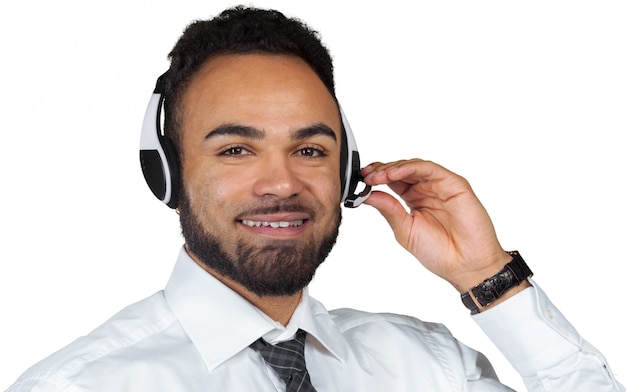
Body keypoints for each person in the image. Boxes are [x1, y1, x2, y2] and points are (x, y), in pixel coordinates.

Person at [6, 6, 624, 391]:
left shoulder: (430, 366)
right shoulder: (80, 385)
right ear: (165, 172)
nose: (282, 185)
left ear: (349, 170)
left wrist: (488, 276)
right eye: (236, 150)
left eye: (310, 150)